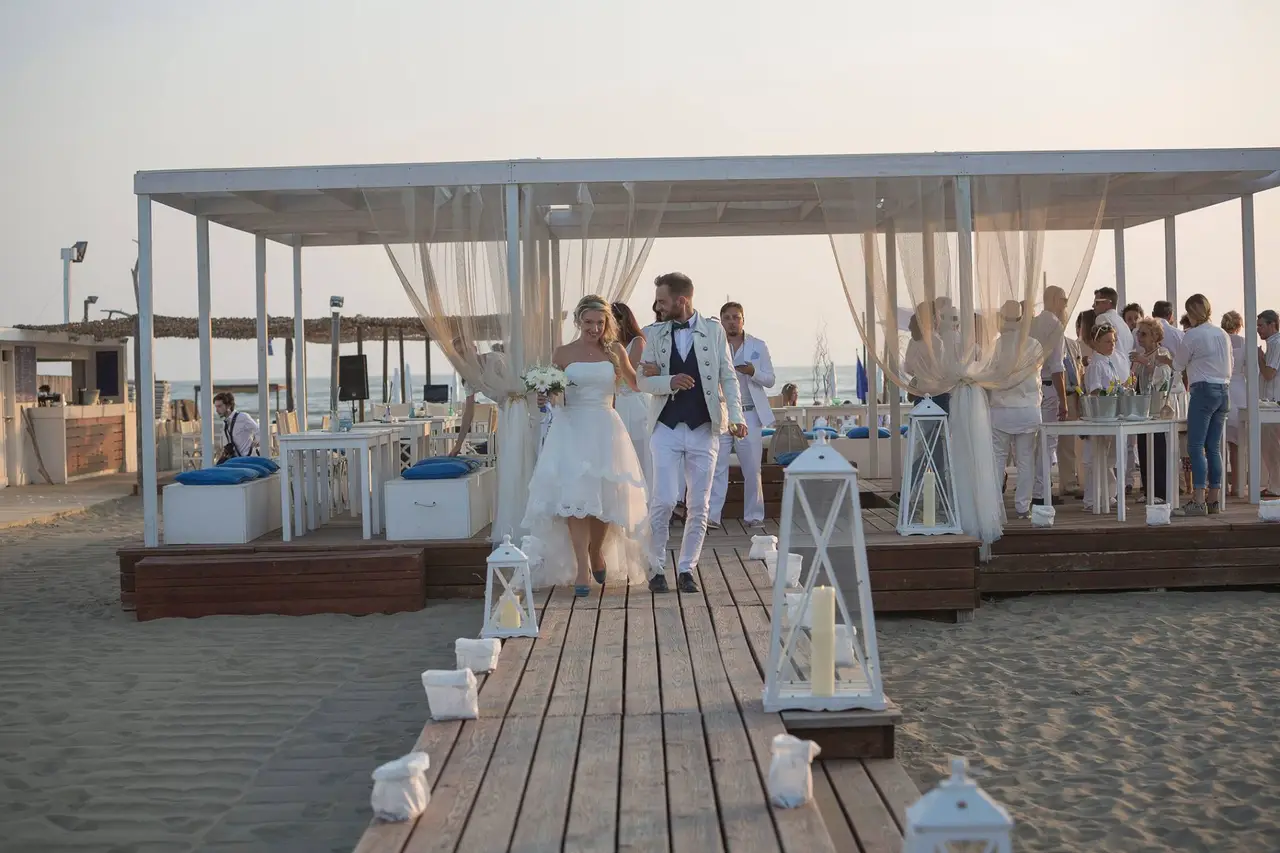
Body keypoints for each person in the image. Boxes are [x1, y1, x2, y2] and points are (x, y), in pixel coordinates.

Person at [521, 295, 650, 596]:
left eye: (600, 323)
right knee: (575, 500)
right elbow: (553, 392)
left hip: (605, 427)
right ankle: (582, 566)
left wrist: (654, 374)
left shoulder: (616, 350)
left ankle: (596, 552)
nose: (594, 328)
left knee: (602, 497)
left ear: (607, 324)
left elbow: (634, 384)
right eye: (588, 322)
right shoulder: (563, 353)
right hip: (571, 427)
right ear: (578, 321)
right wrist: (544, 397)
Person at [636, 272, 746, 594]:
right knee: (665, 500)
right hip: (665, 427)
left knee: (699, 504)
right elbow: (642, 382)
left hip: (704, 428)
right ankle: (656, 568)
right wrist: (668, 380)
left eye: (662, 300)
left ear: (681, 300)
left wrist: (736, 417)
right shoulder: (652, 334)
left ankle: (687, 569)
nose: (658, 306)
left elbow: (728, 378)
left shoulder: (713, 331)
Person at [708, 301, 775, 531]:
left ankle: (754, 515)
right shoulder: (714, 346)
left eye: (736, 317)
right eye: (726, 317)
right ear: (721, 321)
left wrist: (752, 372)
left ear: (743, 319)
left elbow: (770, 379)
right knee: (718, 466)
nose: (731, 321)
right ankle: (713, 516)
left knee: (751, 467)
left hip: (749, 413)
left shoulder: (758, 345)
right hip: (723, 412)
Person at [1163, 294, 1232, 516]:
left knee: (1195, 446)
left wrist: (1164, 359)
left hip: (1203, 390)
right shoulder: (1222, 333)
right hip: (1224, 390)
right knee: (1213, 448)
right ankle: (1214, 500)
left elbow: (1178, 364)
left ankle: (1198, 500)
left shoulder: (1193, 335)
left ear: (1192, 313)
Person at [989, 302, 1043, 519]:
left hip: (1001, 409)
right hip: (1027, 408)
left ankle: (995, 506)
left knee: (997, 459)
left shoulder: (995, 346)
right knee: (1026, 460)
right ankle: (1022, 507)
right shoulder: (1034, 345)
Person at [1031, 286, 1069, 505]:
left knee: (1031, 445)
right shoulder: (1055, 326)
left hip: (1031, 389)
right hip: (1048, 388)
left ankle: (1032, 491)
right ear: (1055, 300)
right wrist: (1063, 400)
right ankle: (1041, 491)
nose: (1065, 304)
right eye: (1063, 300)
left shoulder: (1034, 323)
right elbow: (1057, 368)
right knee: (1048, 443)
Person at [1131, 318, 1174, 503]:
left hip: (1157, 409)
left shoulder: (1162, 353)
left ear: (1155, 336)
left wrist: (1146, 363)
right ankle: (1148, 489)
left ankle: (1160, 492)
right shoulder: (1143, 355)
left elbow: (1163, 377)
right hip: (1144, 408)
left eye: (1144, 334)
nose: (1139, 338)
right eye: (1138, 334)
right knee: (1143, 447)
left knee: (1157, 449)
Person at [611, 301, 652, 489]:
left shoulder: (637, 342)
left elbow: (630, 375)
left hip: (634, 401)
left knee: (639, 451)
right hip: (616, 401)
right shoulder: (608, 345)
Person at [1082, 320, 1122, 511]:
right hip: (1100, 416)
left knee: (1107, 458)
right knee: (1095, 459)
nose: (1111, 344)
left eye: (1113, 341)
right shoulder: (1096, 365)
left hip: (1110, 415)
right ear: (1096, 344)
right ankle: (1091, 498)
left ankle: (1108, 494)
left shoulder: (1108, 363)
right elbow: (1095, 391)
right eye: (1107, 341)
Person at [1222, 311, 1247, 494]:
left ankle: (1221, 484)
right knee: (1237, 444)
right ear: (1239, 325)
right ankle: (1238, 485)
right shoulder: (1244, 343)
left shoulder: (1221, 340)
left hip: (1225, 387)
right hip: (1240, 389)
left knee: (1220, 442)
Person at [1258, 309, 1280, 497]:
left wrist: (1260, 359)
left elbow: (1269, 373)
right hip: (1272, 401)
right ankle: (1274, 483)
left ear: (1273, 324)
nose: (1258, 330)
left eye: (1261, 325)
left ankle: (1276, 485)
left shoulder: (1276, 344)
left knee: (1271, 445)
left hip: (1274, 403)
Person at [213, 392, 260, 462]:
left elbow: (259, 430)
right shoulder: (225, 423)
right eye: (216, 407)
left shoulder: (242, 417)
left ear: (228, 406)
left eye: (219, 406)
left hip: (249, 459)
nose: (216, 410)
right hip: (236, 460)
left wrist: (257, 441)